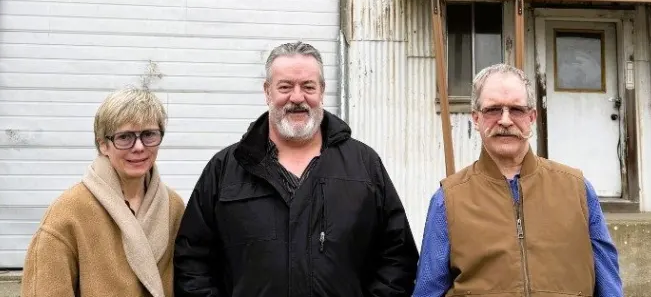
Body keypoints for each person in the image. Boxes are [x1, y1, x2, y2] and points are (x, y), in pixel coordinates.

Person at [173, 41, 419, 297]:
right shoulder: (225, 170)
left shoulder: (364, 166)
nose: (298, 97)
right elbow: (192, 263)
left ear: (322, 91)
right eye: (285, 87)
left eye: (308, 87)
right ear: (267, 92)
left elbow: (397, 258)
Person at [412, 63, 623, 297]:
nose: (505, 120)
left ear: (531, 117)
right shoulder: (448, 200)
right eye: (493, 110)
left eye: (516, 110)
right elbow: (428, 290)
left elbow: (609, 284)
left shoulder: (577, 189)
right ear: (476, 118)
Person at [21, 88, 186, 297]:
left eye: (149, 134)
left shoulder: (174, 207)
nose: (138, 147)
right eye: (124, 137)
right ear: (103, 145)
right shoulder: (67, 212)